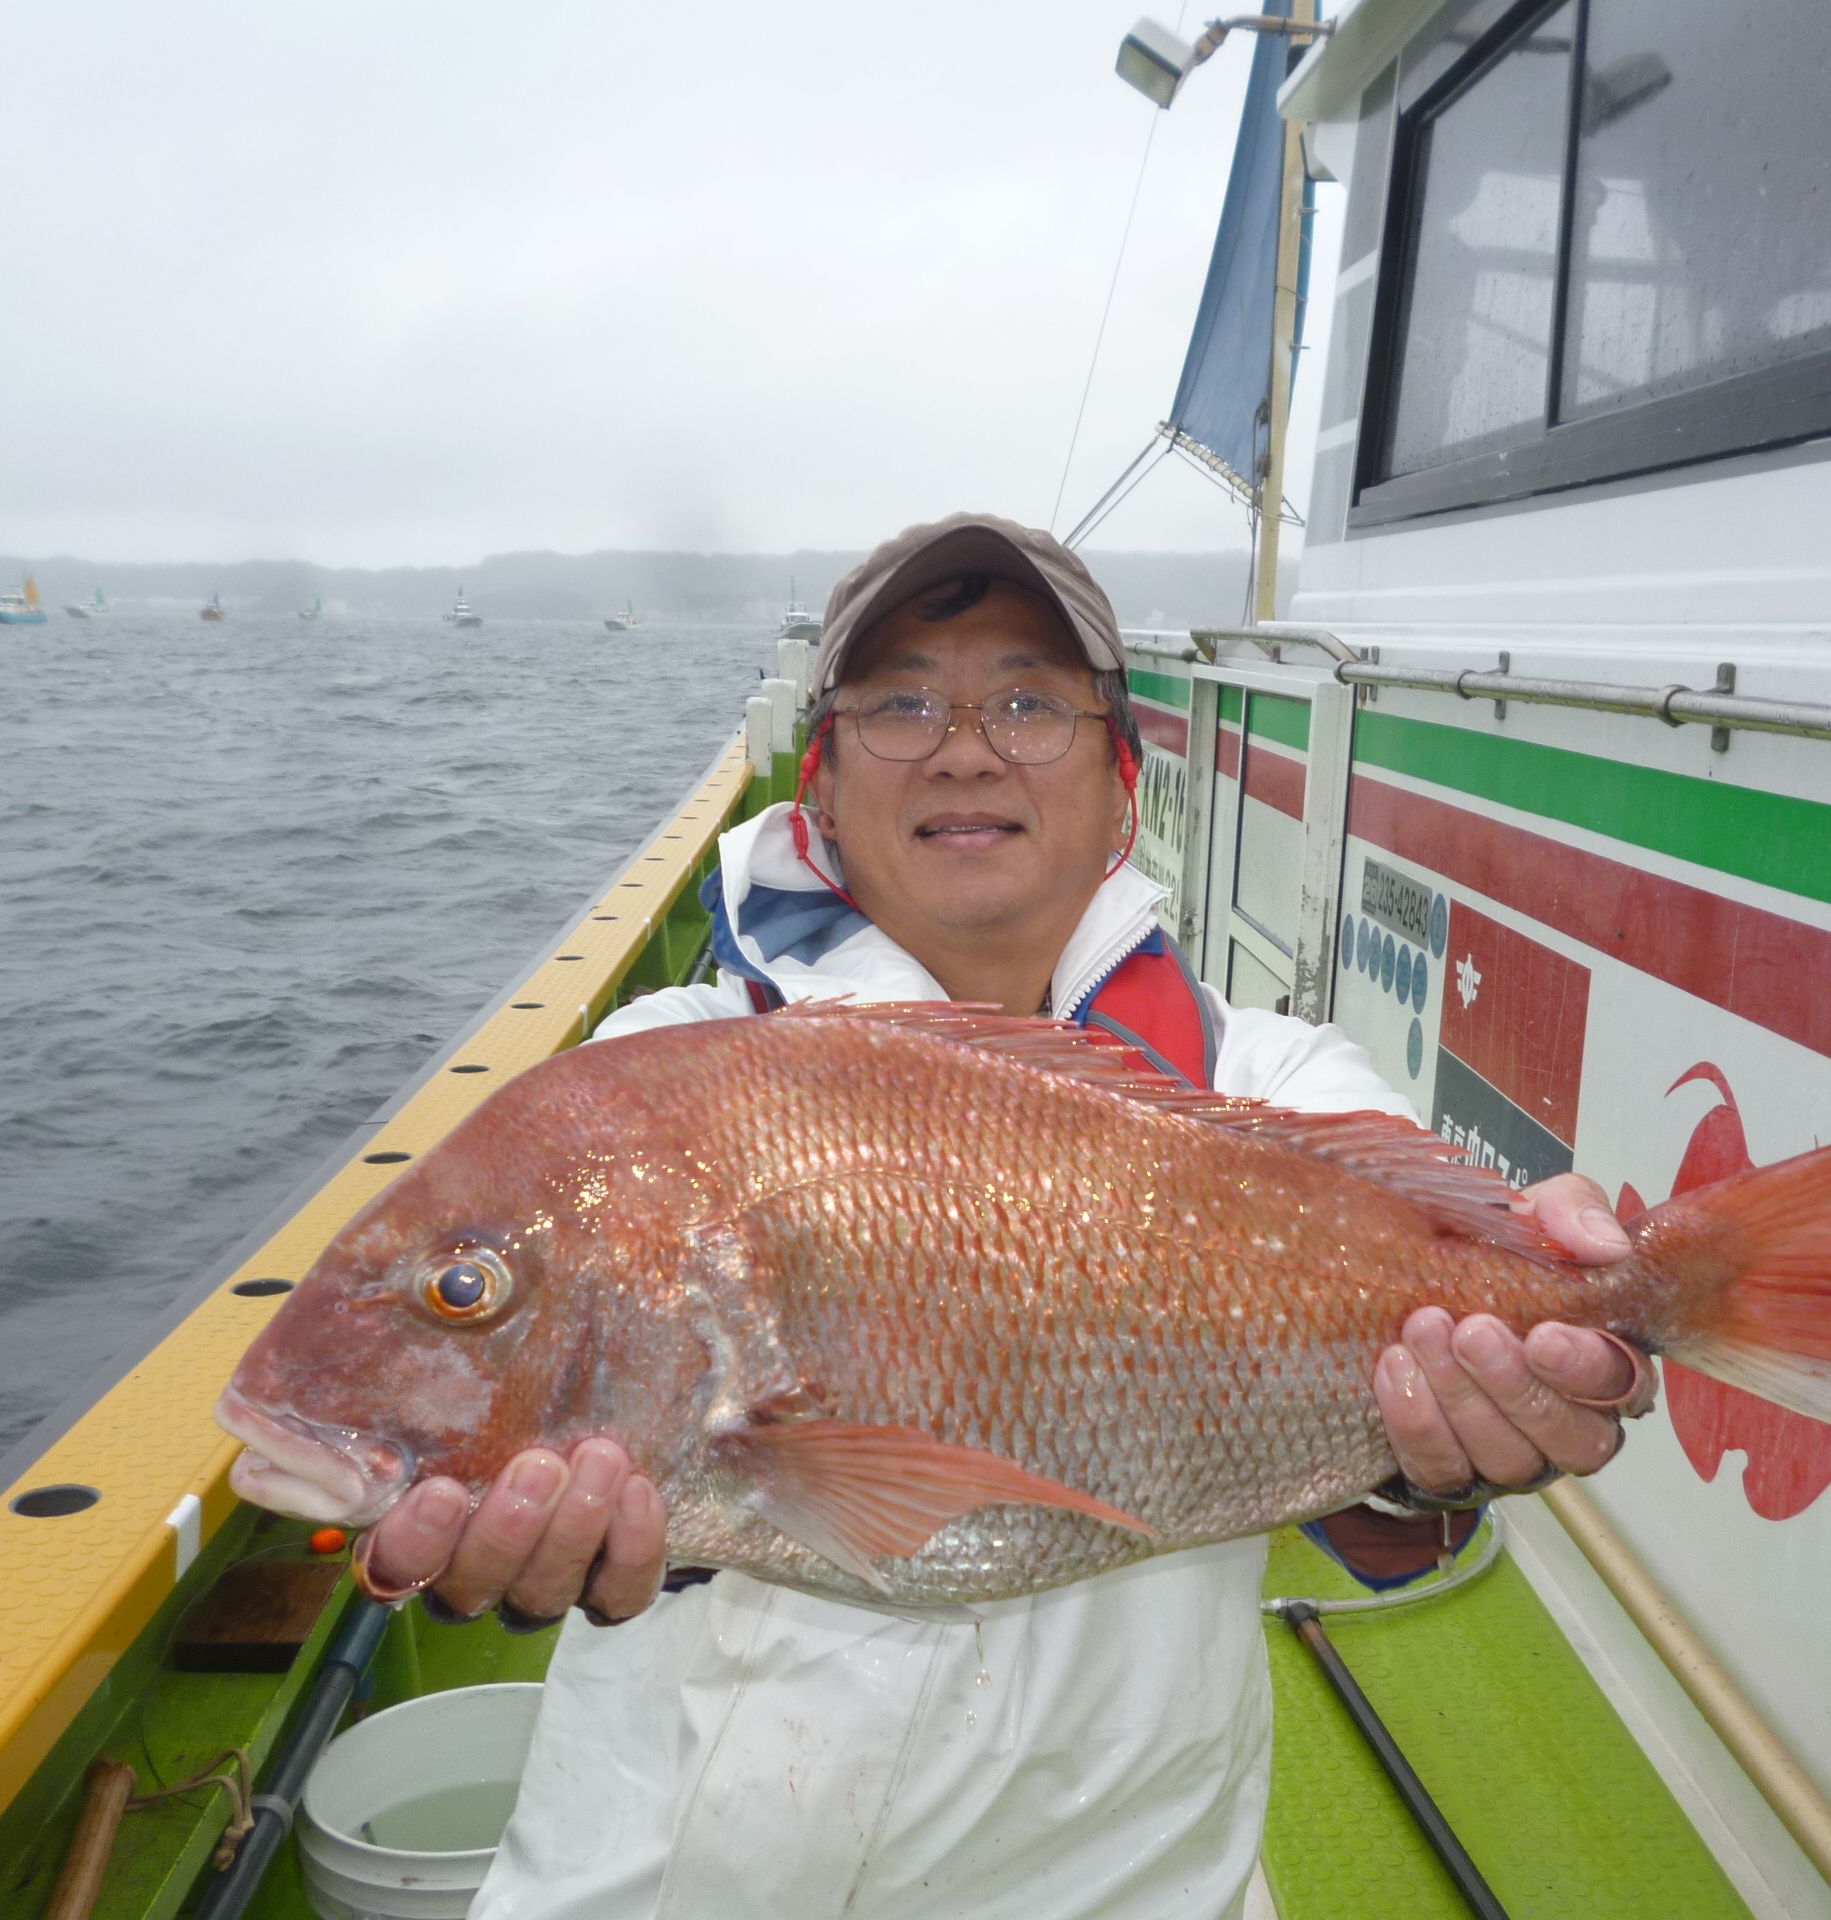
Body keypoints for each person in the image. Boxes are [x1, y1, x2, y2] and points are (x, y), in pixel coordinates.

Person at [361, 513, 1659, 1919]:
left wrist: (1483, 1411)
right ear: (821, 782)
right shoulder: (666, 1067)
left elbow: (1413, 1452)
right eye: (901, 703)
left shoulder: (1276, 1086)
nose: (965, 750)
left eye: (1029, 704)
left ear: (1122, 785)